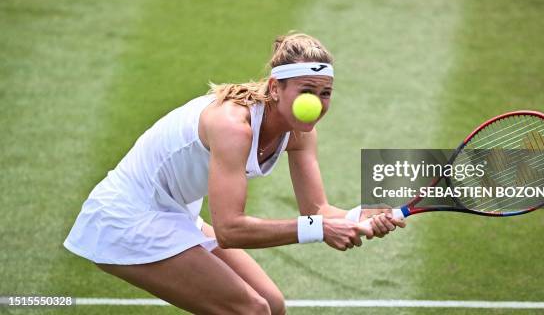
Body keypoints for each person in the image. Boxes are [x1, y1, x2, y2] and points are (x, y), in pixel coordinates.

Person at [63, 33, 405, 314]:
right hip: (126, 218)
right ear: (275, 89)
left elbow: (317, 212)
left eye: (325, 93)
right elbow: (229, 229)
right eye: (306, 91)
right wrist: (320, 229)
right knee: (251, 310)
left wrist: (359, 215)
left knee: (272, 305)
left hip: (173, 212)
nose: (317, 103)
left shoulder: (301, 132)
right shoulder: (232, 126)